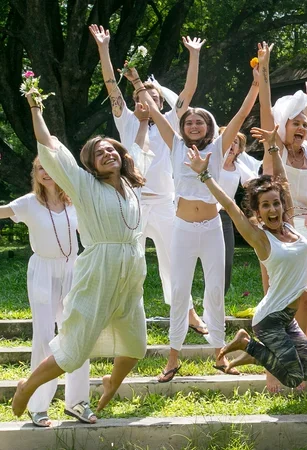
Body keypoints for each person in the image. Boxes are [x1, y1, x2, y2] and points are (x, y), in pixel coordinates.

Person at [12, 93, 153, 420]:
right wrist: (35, 107)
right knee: (74, 350)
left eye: (111, 149)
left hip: (131, 274)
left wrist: (144, 120)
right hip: (98, 274)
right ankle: (27, 387)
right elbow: (50, 146)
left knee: (136, 345)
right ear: (90, 165)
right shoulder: (84, 185)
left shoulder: (132, 186)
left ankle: (111, 382)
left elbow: (139, 148)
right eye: (98, 153)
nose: (107, 154)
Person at [132, 60, 259, 382]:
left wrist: (257, 84)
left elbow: (241, 115)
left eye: (199, 121)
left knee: (215, 291)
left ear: (209, 127)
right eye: (188, 121)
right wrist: (136, 81)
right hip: (183, 230)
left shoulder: (218, 147)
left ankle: (219, 354)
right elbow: (154, 110)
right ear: (182, 126)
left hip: (212, 228)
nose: (193, 125)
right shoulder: (175, 145)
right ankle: (173, 358)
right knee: (179, 291)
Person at [88, 24, 208, 333]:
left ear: (159, 103)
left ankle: (188, 313)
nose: (147, 100)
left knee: (175, 261)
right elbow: (111, 86)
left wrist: (194, 55)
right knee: (130, 260)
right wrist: (103, 48)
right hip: (132, 203)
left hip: (166, 203)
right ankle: (125, 316)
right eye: (142, 96)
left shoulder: (170, 122)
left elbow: (188, 92)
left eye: (153, 97)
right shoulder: (126, 121)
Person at [193, 125, 307, 391]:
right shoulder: (261, 238)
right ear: (258, 212)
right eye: (265, 205)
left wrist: (273, 148)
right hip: (269, 319)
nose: (273, 209)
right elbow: (230, 206)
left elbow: (283, 183)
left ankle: (252, 351)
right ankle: (249, 346)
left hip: (287, 318)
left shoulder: (289, 224)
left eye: (276, 203)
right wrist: (205, 175)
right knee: (293, 377)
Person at [257, 43, 307, 352]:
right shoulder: (274, 149)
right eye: (296, 123)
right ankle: (278, 353)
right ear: (283, 126)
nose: (302, 127)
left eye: (305, 124)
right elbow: (266, 108)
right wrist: (264, 67)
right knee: (278, 293)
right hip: (278, 225)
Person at [0, 158, 89, 427]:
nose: (46, 172)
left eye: (51, 167)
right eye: (41, 168)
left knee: (77, 335)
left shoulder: (75, 200)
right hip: (42, 271)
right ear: (35, 173)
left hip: (73, 269)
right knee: (44, 336)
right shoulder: (29, 203)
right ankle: (38, 405)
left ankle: (77, 402)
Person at [217, 127, 262, 295]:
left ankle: (219, 299)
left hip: (225, 217)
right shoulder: (212, 161)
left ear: (239, 149)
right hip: (204, 215)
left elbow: (254, 184)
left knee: (226, 261)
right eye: (228, 140)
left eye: (235, 142)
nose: (231, 145)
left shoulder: (239, 167)